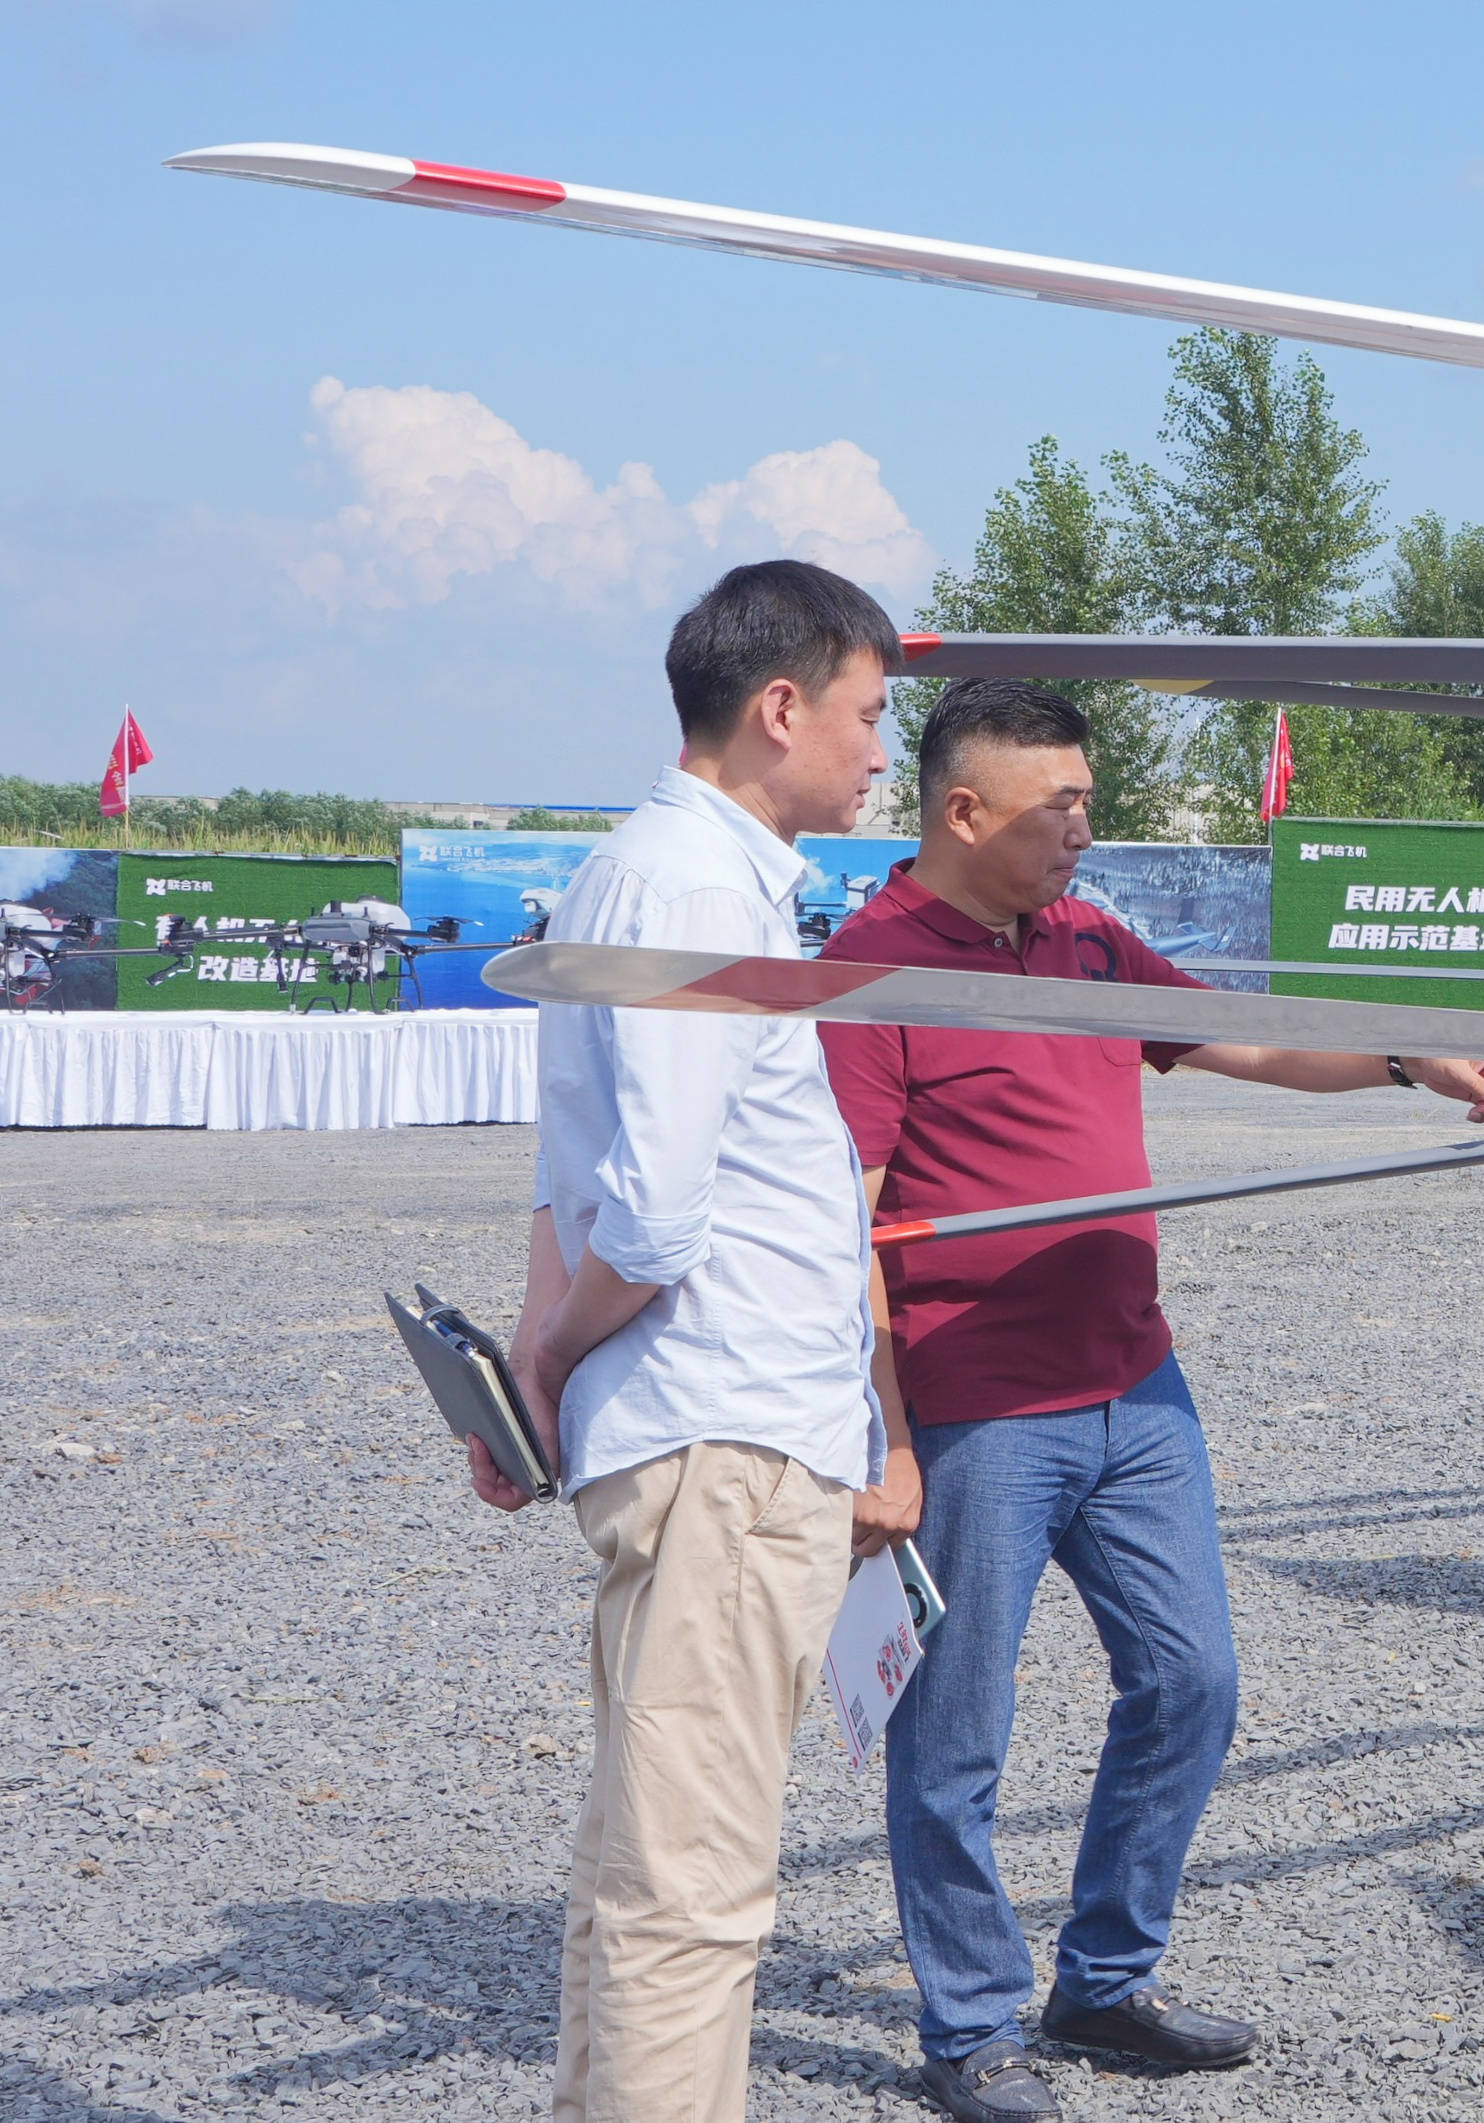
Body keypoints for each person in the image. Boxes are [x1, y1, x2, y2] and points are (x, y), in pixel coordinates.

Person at [818, 678, 1484, 2123]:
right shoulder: (872, 976)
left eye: (1089, 800)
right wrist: (884, 1442)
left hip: (1134, 1387)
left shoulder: (1084, 939)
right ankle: (969, 2023)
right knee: (956, 1731)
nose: (1087, 830)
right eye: (1062, 808)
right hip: (976, 1413)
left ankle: (1101, 1983)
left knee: (1192, 1681)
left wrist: (1405, 1058)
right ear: (964, 812)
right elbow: (839, 1235)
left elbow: (1256, 1042)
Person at [473, 559, 925, 2123]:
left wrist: (544, 1354)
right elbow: (651, 1219)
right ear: (779, 707)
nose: (882, 752)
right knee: (694, 1898)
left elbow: (577, 1176)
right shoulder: (688, 887)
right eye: (870, 717)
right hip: (729, 1444)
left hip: (711, 1433)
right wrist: (551, 1356)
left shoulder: (672, 878)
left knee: (643, 1879)